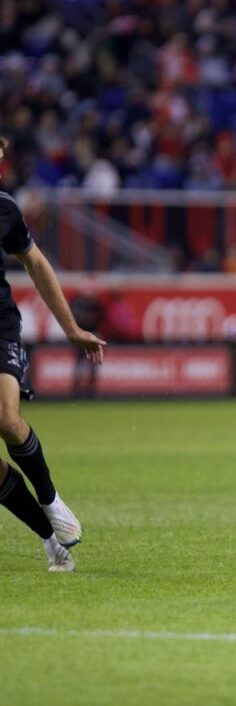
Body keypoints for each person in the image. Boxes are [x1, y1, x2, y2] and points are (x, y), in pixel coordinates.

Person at [0, 136, 106, 572]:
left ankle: (51, 498)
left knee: (5, 418)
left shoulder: (4, 208)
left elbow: (37, 265)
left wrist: (72, 328)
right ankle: (49, 538)